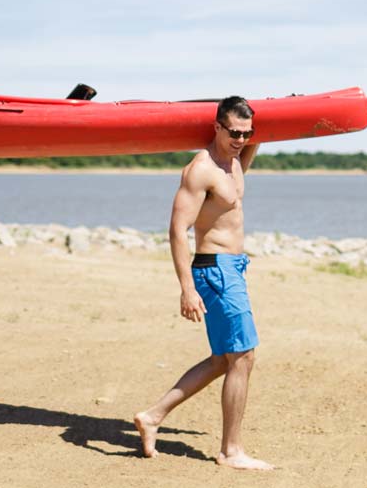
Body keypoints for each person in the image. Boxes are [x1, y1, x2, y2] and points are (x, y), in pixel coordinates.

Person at [134, 96, 273, 470]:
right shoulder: (201, 169)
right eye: (234, 132)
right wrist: (187, 288)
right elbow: (178, 230)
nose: (242, 139)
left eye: (248, 133)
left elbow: (263, 131)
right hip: (215, 270)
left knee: (222, 360)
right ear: (216, 127)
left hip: (233, 268)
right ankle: (231, 451)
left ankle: (152, 416)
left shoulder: (235, 162)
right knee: (243, 356)